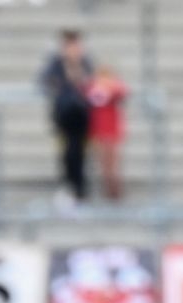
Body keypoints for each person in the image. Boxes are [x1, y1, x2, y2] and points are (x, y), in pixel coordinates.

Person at [39, 29, 93, 204]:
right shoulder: (56, 64)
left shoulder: (85, 63)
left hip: (82, 117)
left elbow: (92, 84)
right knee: (67, 153)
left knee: (80, 153)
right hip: (64, 116)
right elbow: (45, 81)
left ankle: (79, 188)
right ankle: (69, 185)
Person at [86, 65, 127, 201]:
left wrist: (112, 85)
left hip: (111, 129)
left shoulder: (115, 89)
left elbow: (122, 92)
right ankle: (107, 186)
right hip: (98, 130)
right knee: (103, 160)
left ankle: (114, 188)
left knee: (113, 160)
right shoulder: (93, 88)